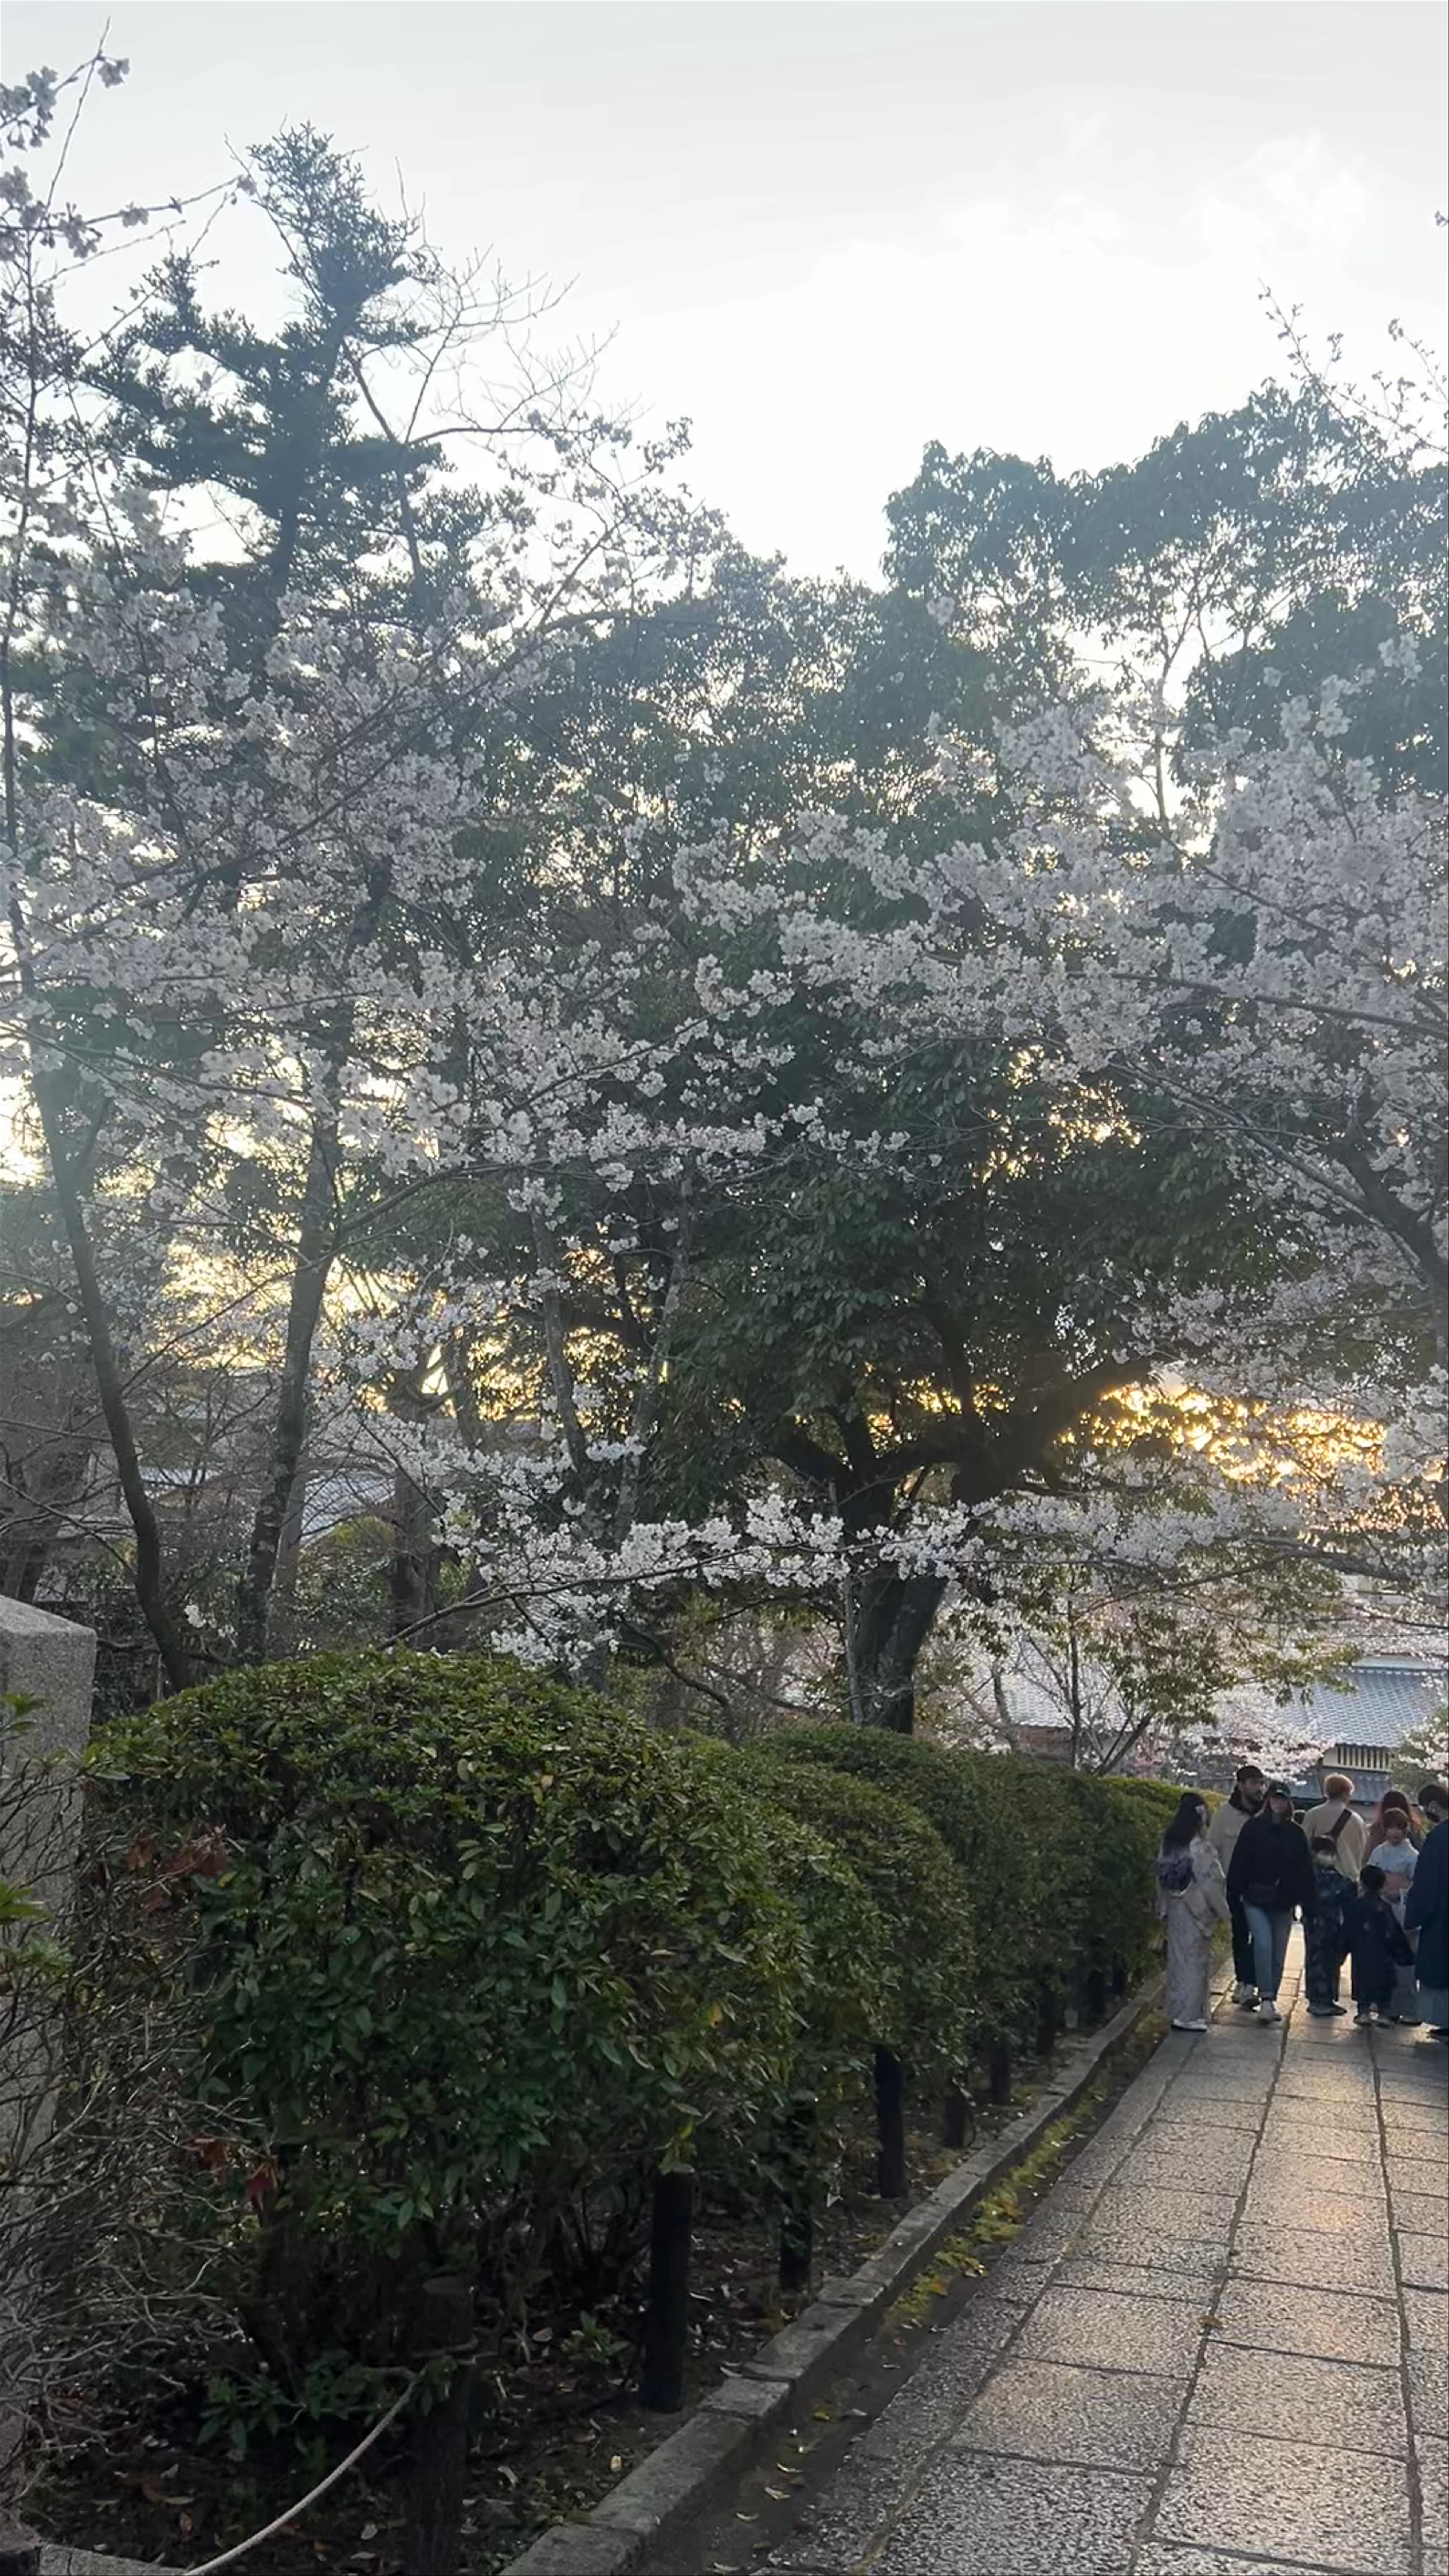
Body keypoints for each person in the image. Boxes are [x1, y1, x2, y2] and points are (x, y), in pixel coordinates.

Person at [1226, 1780, 1317, 2024]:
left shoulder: (1296, 1834)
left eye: (1282, 1799)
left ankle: (1270, 1997)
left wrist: (1308, 1902)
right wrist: (1236, 1891)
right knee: (1263, 1943)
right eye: (1275, 1798)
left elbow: (1305, 1870)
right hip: (1255, 1896)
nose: (1278, 1803)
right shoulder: (1253, 1828)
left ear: (1288, 1801)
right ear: (1269, 1800)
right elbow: (1240, 1861)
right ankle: (1265, 1997)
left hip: (1283, 1900)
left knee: (1279, 1950)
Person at [1155, 1792, 1231, 2031]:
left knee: (1178, 1960)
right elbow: (1212, 1882)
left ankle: (1179, 2011)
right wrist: (1225, 1912)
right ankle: (1189, 2015)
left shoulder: (1170, 1842)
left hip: (1175, 1905)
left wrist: (1162, 1906)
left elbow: (1160, 1878)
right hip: (1196, 1906)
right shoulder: (1199, 1847)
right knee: (1195, 1961)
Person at [1207, 1763, 1267, 2006]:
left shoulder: (1267, 1814)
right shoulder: (1225, 1815)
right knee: (1241, 1935)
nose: (1259, 1788)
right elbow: (1213, 1850)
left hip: (1264, 1886)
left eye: (1262, 1783)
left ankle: (1256, 1983)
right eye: (1254, 1783)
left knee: (1262, 1938)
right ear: (1241, 1785)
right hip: (1236, 1886)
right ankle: (1245, 1983)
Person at [1404, 1780, 1449, 2042]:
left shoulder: (1440, 1837)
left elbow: (1427, 1881)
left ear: (1433, 1805)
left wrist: (1415, 1913)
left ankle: (1444, 2020)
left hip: (1442, 1915)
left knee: (1441, 1966)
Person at [1367, 1809, 1421, 2021]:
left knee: (1405, 1963)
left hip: (1402, 1912)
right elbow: (1368, 1877)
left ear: (1406, 1830)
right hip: (1381, 1909)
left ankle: (1409, 2009)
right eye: (1391, 1827)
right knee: (1383, 1961)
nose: (1395, 1832)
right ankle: (1386, 2007)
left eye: (1400, 1827)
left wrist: (1400, 1891)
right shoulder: (1379, 1853)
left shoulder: (1413, 1857)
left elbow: (1417, 1887)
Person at [1349, 1864, 1415, 2025]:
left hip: (1362, 1955)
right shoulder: (1385, 1908)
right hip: (1384, 1957)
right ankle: (1384, 2014)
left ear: (1362, 1884)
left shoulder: (1356, 1906)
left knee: (1363, 1985)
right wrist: (1405, 1955)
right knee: (1384, 1987)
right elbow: (1395, 1934)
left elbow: (1348, 1931)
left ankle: (1364, 2012)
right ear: (1383, 1885)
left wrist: (1341, 1949)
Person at [1304, 1834, 1354, 2017]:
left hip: (1318, 1924)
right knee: (1325, 1961)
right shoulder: (1328, 1877)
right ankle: (1322, 2000)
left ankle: (1321, 1999)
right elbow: (1348, 1891)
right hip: (1327, 1924)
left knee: (1319, 1960)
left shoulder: (1313, 1874)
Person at [1301, 1773, 1366, 1879]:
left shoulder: (1313, 1815)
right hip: (1349, 1877)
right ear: (1345, 1794)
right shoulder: (1357, 1820)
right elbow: (1363, 1854)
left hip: (1317, 1878)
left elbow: (1303, 1846)